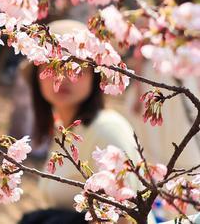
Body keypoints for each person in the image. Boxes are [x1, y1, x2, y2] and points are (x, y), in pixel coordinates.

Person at [24, 20, 138, 221]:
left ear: (94, 76)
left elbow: (125, 216)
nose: (62, 76)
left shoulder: (107, 130)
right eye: (51, 65)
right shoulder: (64, 131)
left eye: (76, 66)